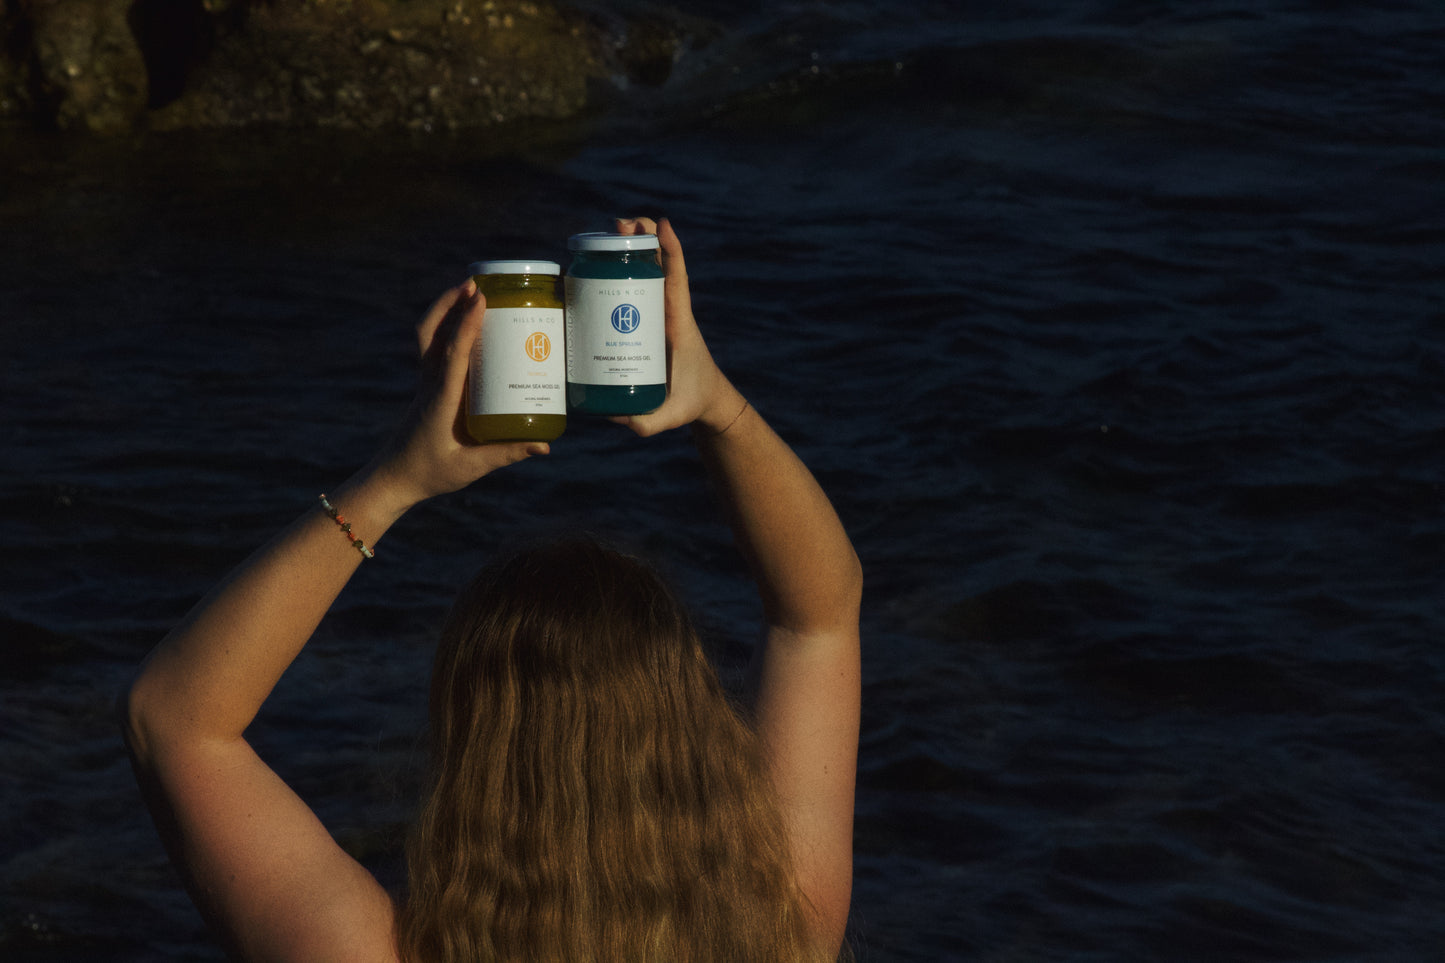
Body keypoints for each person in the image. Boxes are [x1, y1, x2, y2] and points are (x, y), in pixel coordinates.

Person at [121, 217, 863, 962]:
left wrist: (393, 481)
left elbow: (174, 718)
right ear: (691, 725)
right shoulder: (786, 926)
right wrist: (715, 405)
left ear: (474, 736)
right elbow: (818, 615)